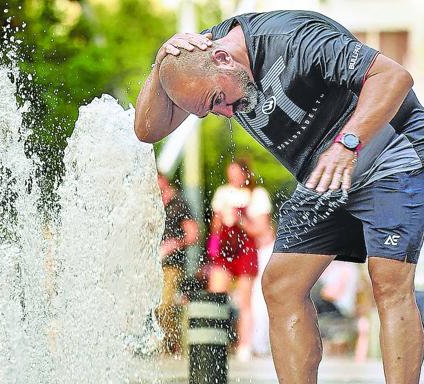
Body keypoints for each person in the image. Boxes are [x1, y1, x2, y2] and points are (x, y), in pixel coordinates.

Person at [134, 10, 424, 383]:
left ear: (224, 58)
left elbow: (394, 76)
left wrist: (346, 144)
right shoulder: (198, 57)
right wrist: (162, 62)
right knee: (281, 284)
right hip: (326, 172)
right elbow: (147, 130)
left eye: (219, 99)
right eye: (210, 110)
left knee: (388, 278)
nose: (224, 112)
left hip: (389, 146)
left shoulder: (293, 38)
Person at [205, 159, 272, 361]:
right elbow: (216, 227)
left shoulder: (258, 195)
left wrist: (239, 219)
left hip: (245, 249)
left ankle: (244, 345)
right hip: (226, 251)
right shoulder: (222, 193)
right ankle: (214, 341)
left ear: (245, 174)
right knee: (215, 296)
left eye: (236, 173)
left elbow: (260, 229)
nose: (233, 178)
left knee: (245, 300)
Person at [156, 173, 199, 355]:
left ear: (164, 180)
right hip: (154, 264)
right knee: (154, 308)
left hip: (172, 264)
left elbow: (193, 234)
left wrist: (175, 243)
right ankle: (167, 344)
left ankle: (173, 345)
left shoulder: (179, 202)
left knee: (165, 305)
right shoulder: (152, 200)